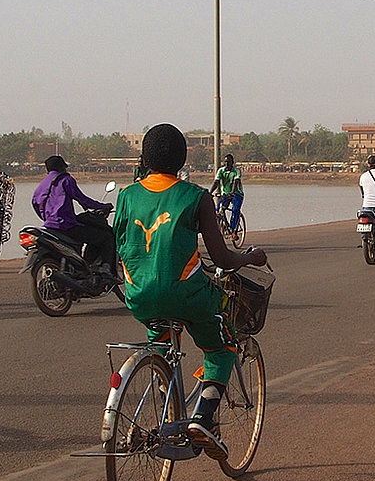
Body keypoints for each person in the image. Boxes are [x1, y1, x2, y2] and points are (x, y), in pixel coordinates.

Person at [114, 124, 267, 460]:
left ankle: (165, 395)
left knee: (163, 340)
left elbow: (121, 249)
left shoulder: (126, 196)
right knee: (221, 345)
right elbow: (223, 257)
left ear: (144, 158)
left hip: (138, 295)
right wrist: (251, 257)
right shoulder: (196, 197)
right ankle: (205, 418)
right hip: (188, 295)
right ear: (182, 159)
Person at [32, 155, 115, 276]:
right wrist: (103, 206)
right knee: (106, 237)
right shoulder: (65, 180)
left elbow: (35, 203)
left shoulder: (42, 184)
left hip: (49, 227)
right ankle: (105, 268)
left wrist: (48, 218)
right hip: (67, 226)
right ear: (61, 167)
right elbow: (83, 200)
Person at [212, 153, 245, 235]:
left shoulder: (237, 171)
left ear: (232, 162)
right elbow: (216, 182)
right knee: (219, 210)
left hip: (237, 194)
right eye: (225, 162)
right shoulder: (221, 171)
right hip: (225, 194)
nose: (227, 164)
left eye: (229, 162)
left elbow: (236, 182)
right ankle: (223, 225)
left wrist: (232, 192)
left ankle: (233, 230)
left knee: (235, 210)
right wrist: (210, 193)